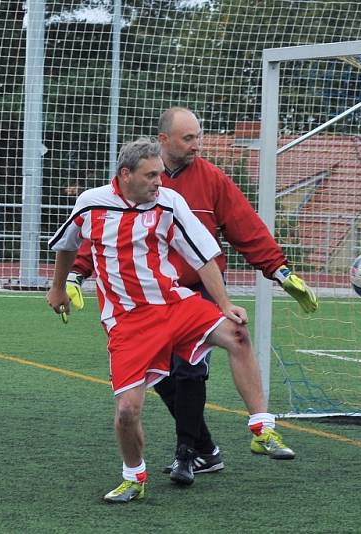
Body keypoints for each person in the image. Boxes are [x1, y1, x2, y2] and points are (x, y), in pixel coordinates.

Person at [65, 107, 317, 485]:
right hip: (138, 307)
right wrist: (74, 276)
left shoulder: (210, 179)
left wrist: (280, 270)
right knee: (162, 381)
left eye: (199, 137)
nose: (197, 145)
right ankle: (203, 448)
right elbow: (103, 237)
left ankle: (190, 452)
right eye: (189, 138)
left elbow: (245, 227)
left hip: (193, 291)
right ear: (164, 141)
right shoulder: (129, 186)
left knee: (194, 370)